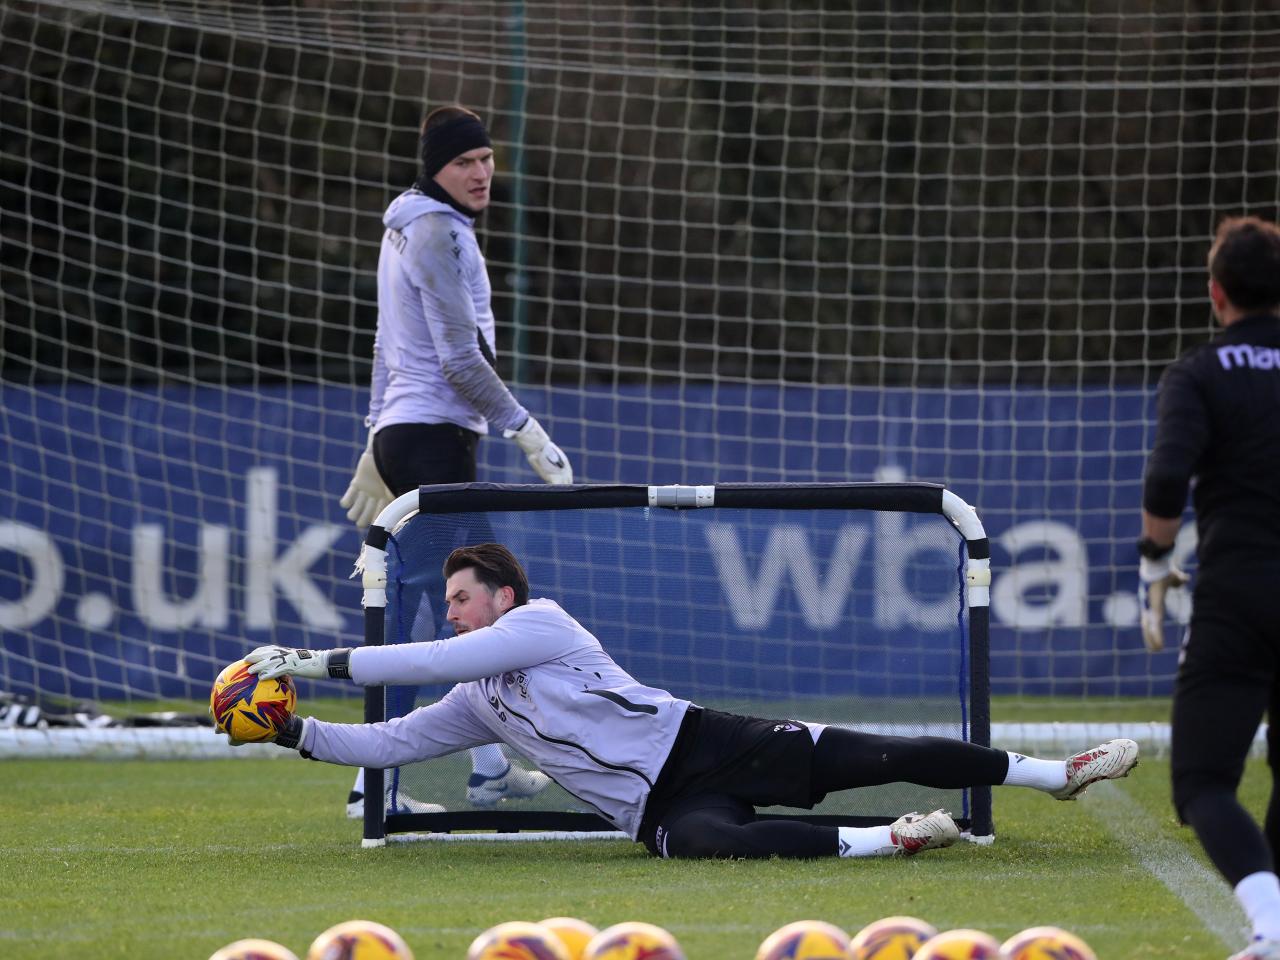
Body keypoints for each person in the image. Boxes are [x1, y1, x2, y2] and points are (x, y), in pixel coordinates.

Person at [245, 543, 1139, 860]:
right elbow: (392, 742)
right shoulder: (483, 699)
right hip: (657, 806)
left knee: (878, 755)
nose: (452, 611)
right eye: (449, 603)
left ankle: (1055, 772)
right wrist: (292, 731)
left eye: (463, 597)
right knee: (711, 845)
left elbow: (433, 657)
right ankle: (892, 840)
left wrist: (303, 656)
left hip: (705, 742)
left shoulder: (544, 623)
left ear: (503, 600)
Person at [335, 105, 572, 818]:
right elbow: (459, 360)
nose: (481, 173)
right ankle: (375, 785)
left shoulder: (411, 225)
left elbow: (387, 344)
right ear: (436, 168)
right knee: (477, 611)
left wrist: (378, 435)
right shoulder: (436, 231)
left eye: (487, 160)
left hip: (412, 434)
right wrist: (527, 431)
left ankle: (481, 768)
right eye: (465, 162)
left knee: (432, 612)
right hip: (434, 437)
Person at [1139, 215, 1280, 960]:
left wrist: (1153, 560)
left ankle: (1272, 926)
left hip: (1242, 592)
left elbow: (1167, 480)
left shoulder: (1200, 372)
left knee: (1202, 781)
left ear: (1215, 292)